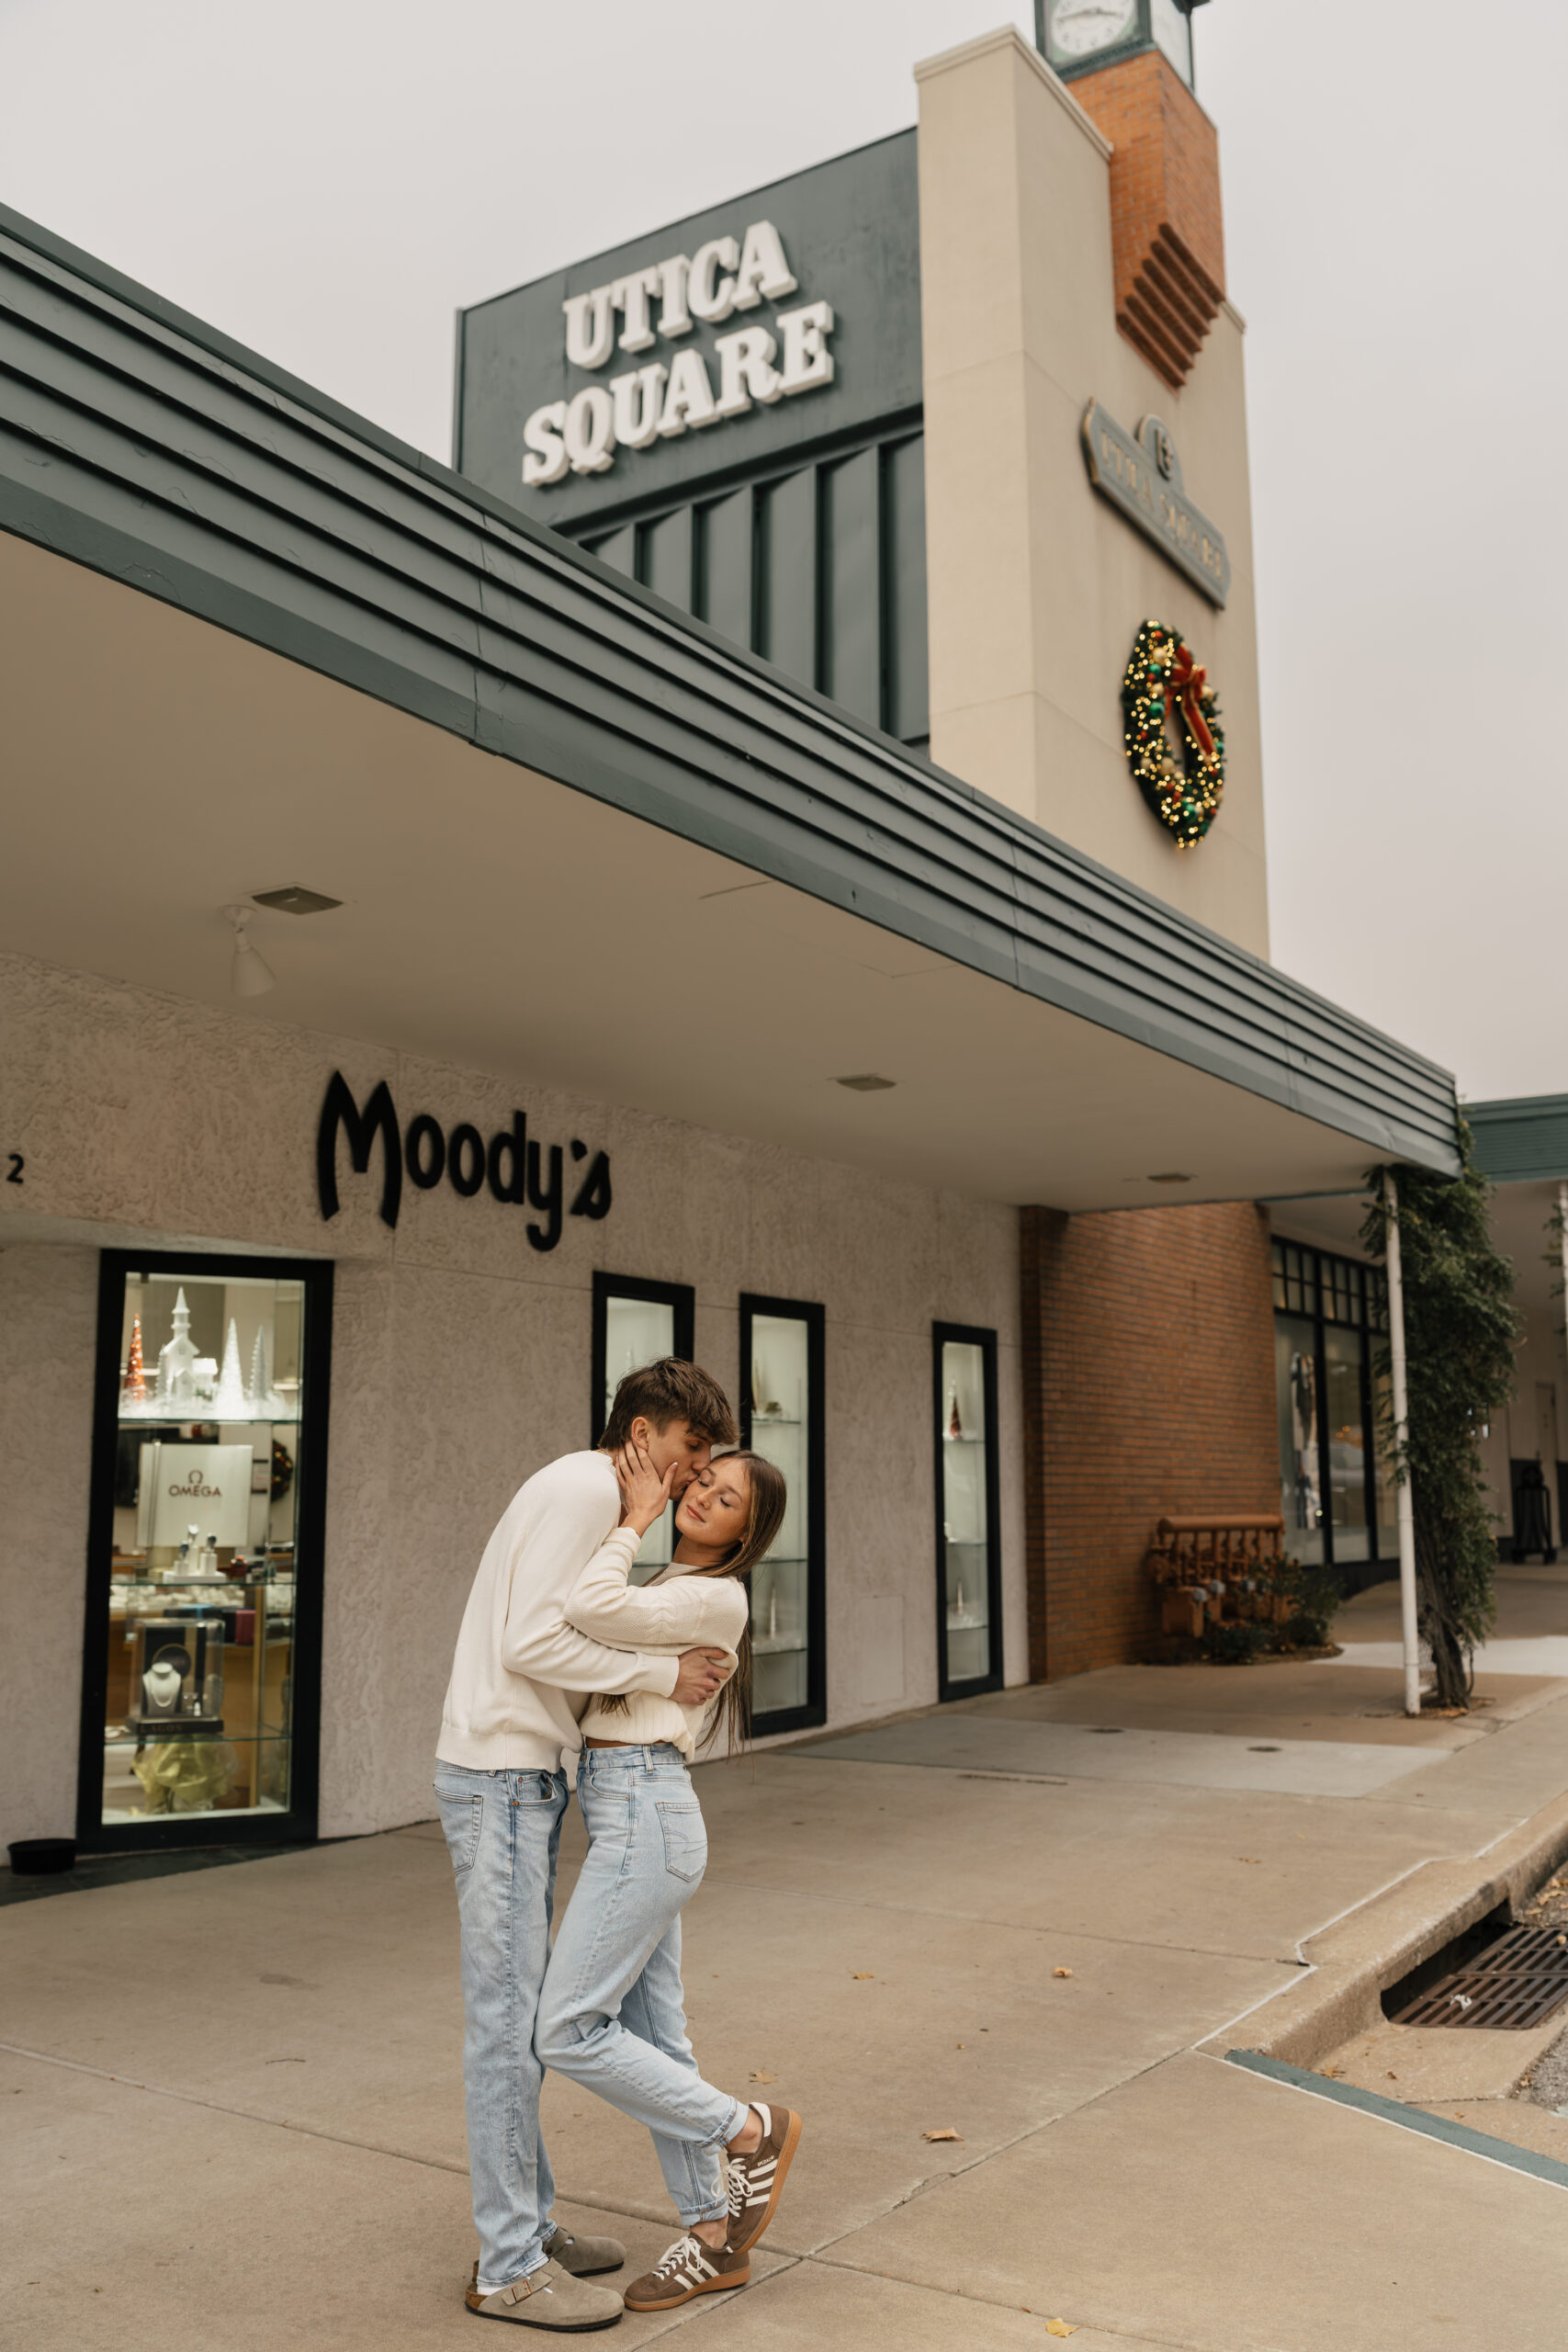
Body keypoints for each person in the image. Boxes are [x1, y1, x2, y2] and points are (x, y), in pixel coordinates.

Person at [434, 1359, 739, 2332]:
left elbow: (566, 1626)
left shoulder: (599, 1498)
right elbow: (531, 1640)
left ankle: (528, 2222)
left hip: (521, 1775)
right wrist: (660, 1668)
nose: (696, 1477)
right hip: (499, 1775)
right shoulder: (582, 1487)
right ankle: (509, 2265)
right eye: (693, 1451)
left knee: (527, 2019)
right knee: (508, 2025)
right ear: (644, 1432)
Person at [531, 1438, 804, 2315]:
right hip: (631, 1809)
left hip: (646, 1814)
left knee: (568, 2029)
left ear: (742, 1536)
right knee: (659, 2044)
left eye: (728, 1502)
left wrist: (634, 1516)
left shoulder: (708, 1596)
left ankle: (749, 2131)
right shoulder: (668, 1589)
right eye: (706, 1482)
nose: (704, 1500)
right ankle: (711, 2236)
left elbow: (583, 1605)